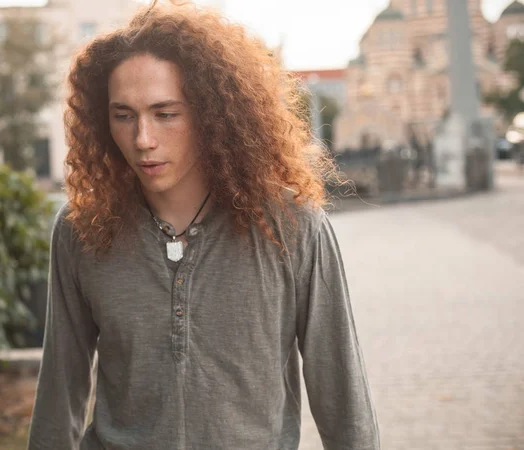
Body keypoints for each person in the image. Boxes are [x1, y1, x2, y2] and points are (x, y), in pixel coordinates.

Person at [27, 2, 379, 449]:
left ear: (211, 115)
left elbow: (344, 402)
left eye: (166, 113)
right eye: (123, 115)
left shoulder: (293, 226)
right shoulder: (82, 228)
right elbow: (61, 390)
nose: (143, 139)